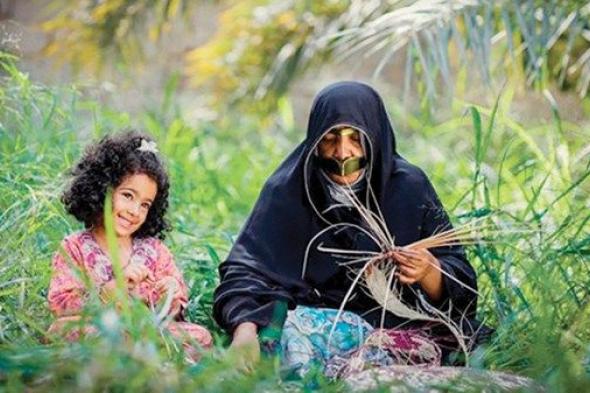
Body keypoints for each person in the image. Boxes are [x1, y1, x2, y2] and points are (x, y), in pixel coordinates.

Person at [214, 81, 490, 376]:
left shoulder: (408, 188)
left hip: (395, 322)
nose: (342, 153)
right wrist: (245, 333)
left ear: (375, 135)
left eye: (355, 138)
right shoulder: (288, 191)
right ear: (314, 139)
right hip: (309, 320)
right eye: (330, 138)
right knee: (282, 335)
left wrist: (429, 272)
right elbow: (245, 273)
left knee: (468, 340)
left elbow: (461, 282)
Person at [47, 131, 212, 361]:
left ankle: (142, 363)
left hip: (147, 332)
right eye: (127, 195)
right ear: (101, 189)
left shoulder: (155, 251)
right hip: (100, 330)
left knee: (199, 336)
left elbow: (175, 308)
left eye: (145, 205)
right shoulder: (74, 247)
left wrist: (170, 292)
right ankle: (133, 363)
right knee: (63, 331)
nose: (135, 211)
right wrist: (109, 291)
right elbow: (61, 305)